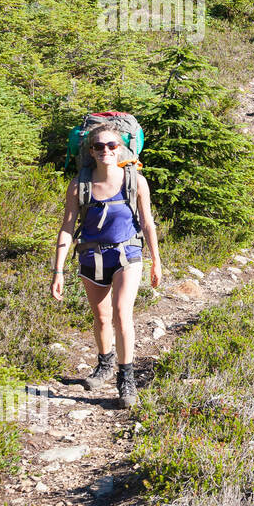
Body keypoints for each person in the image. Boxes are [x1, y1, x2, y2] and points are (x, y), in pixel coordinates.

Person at [50, 124, 162, 407]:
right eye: (99, 146)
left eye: (111, 145)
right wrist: (58, 270)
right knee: (101, 319)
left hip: (127, 254)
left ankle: (126, 380)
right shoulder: (79, 184)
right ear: (90, 151)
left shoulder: (136, 181)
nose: (105, 151)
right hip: (91, 256)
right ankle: (104, 365)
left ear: (120, 148)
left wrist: (156, 261)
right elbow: (67, 227)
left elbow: (147, 223)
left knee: (122, 314)